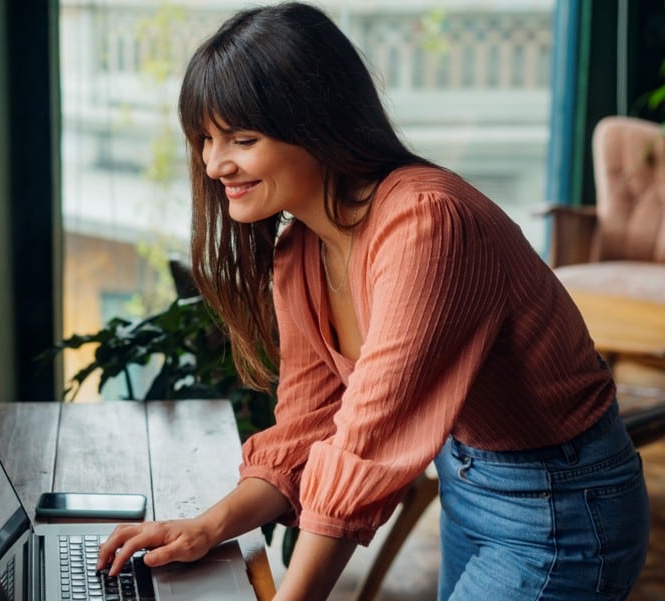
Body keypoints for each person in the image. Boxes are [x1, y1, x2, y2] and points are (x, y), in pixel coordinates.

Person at [94, 3, 650, 600]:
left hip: (562, 507)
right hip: (471, 486)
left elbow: (365, 442)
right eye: (205, 139)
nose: (213, 163)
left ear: (318, 126)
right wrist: (207, 527)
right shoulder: (299, 255)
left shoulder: (427, 225)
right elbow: (308, 430)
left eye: (242, 139)